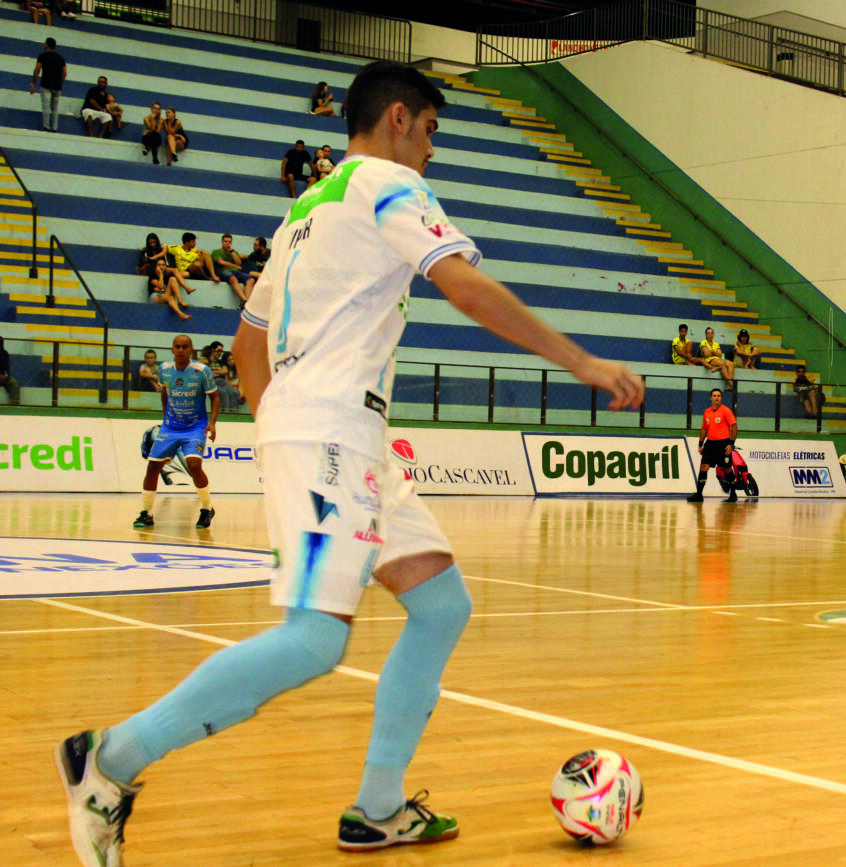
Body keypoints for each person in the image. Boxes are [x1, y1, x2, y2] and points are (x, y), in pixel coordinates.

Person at [56, 60, 645, 866]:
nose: (434, 150)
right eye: (432, 131)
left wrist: (278, 425)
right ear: (398, 118)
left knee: (441, 605)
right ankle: (110, 759)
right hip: (331, 431)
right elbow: (465, 288)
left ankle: (377, 808)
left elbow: (248, 344)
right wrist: (581, 362)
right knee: (313, 641)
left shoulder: (307, 206)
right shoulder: (384, 185)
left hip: (344, 436)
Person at [128, 333, 218, 533]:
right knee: (153, 467)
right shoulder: (165, 370)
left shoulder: (201, 370)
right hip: (171, 426)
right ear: (172, 350)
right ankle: (146, 513)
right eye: (177, 346)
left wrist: (212, 423)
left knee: (194, 465)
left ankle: (206, 509)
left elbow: (215, 396)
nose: (180, 350)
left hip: (195, 426)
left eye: (184, 347)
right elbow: (164, 393)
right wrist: (165, 419)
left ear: (191, 349)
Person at [688, 387, 738, 503]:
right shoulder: (707, 412)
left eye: (719, 396)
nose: (717, 397)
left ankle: (733, 495)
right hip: (710, 443)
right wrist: (700, 444)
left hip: (723, 443)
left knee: (727, 468)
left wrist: (731, 444)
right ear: (711, 398)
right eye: (714, 396)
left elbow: (734, 427)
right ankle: (699, 495)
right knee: (703, 467)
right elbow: (704, 429)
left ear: (721, 398)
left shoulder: (726, 411)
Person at [30, 38, 66, 133]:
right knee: (55, 108)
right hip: (57, 86)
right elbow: (64, 73)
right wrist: (60, 83)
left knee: (46, 106)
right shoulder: (60, 58)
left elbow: (37, 70)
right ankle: (54, 128)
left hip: (46, 84)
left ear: (46, 45)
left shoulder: (42, 56)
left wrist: (33, 83)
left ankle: (46, 127)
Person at [211, 233, 252, 304]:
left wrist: (232, 251)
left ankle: (247, 303)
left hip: (236, 272)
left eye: (229, 242)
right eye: (225, 241)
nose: (227, 243)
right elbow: (221, 262)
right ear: (222, 242)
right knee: (233, 278)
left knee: (250, 279)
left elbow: (239, 263)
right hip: (224, 272)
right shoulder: (216, 252)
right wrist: (235, 266)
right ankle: (244, 300)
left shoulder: (234, 252)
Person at [0, 336, 20, 404]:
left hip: (4, 377)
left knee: (14, 384)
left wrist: (6, 375)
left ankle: (14, 407)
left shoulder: (5, 353)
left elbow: (7, 368)